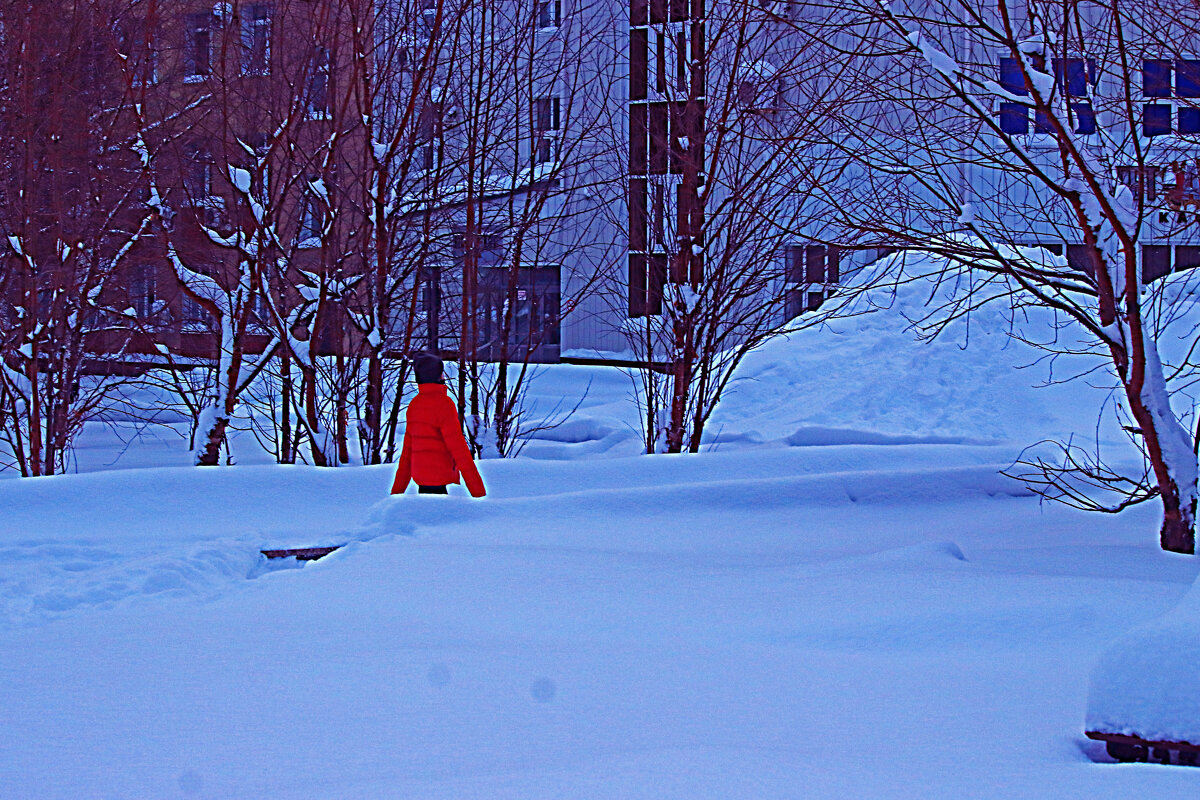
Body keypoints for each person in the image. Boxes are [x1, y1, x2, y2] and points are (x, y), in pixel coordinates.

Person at [390, 352, 486, 498]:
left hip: (421, 479)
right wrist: (478, 492)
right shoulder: (444, 404)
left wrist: (396, 495)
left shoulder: (415, 404)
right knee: (439, 517)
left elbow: (407, 454)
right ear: (437, 376)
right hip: (439, 479)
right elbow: (459, 449)